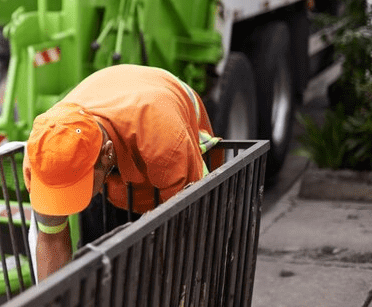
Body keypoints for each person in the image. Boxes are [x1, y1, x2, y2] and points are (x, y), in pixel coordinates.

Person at [22, 64, 222, 280]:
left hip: (165, 139)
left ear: (107, 153)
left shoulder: (163, 139)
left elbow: (191, 230)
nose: (65, 201)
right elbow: (51, 240)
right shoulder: (44, 152)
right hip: (119, 165)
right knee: (103, 264)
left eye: (76, 184)